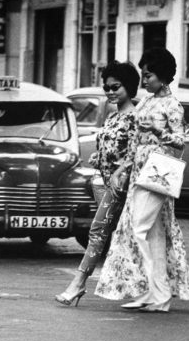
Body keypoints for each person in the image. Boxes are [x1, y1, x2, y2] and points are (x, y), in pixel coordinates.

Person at [95, 47, 189, 312]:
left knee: (138, 230)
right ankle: (157, 296)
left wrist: (158, 130)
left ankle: (149, 289)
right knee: (153, 235)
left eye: (149, 75)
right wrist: (123, 168)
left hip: (157, 173)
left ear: (162, 76)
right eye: (143, 74)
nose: (144, 80)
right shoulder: (148, 102)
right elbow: (135, 142)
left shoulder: (172, 105)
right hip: (139, 173)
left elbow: (181, 142)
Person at [55, 61, 139, 307]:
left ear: (129, 87)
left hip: (120, 186)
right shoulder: (113, 116)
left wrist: (120, 170)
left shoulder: (135, 117)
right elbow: (111, 147)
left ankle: (78, 283)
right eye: (107, 87)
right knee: (122, 236)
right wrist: (97, 158)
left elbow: (136, 153)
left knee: (98, 231)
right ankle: (153, 286)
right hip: (102, 182)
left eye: (116, 86)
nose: (111, 91)